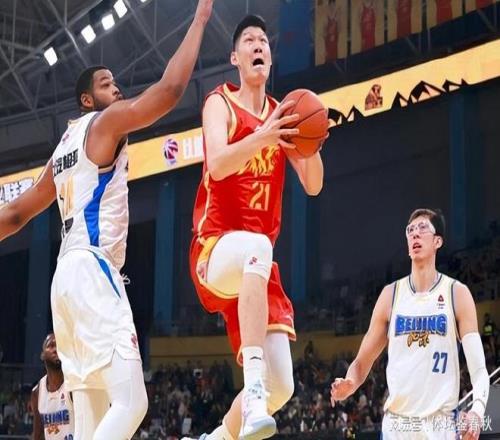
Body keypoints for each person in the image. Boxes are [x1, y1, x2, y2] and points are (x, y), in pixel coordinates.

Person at [0, 1, 213, 438]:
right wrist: (200, 19)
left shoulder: (62, 148)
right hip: (93, 271)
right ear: (87, 99)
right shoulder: (105, 122)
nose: (116, 89)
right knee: (133, 402)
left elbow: (16, 214)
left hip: (65, 283)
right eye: (106, 84)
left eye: (115, 83)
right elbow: (171, 90)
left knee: (91, 424)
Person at [186, 14, 325, 440]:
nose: (258, 45)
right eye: (249, 40)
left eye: (263, 40)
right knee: (257, 247)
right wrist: (266, 135)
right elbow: (218, 163)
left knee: (283, 386)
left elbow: (314, 185)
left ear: (269, 57)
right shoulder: (220, 103)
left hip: (256, 269)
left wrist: (311, 137)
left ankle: (215, 438)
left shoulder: (284, 116)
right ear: (235, 57)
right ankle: (254, 394)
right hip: (215, 250)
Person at [331, 208, 490, 439]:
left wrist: (477, 410)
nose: (415, 233)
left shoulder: (457, 293)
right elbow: (361, 363)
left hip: (440, 424)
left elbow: (479, 369)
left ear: (437, 241)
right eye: (410, 230)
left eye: (423, 228)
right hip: (397, 426)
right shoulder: (390, 295)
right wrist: (350, 383)